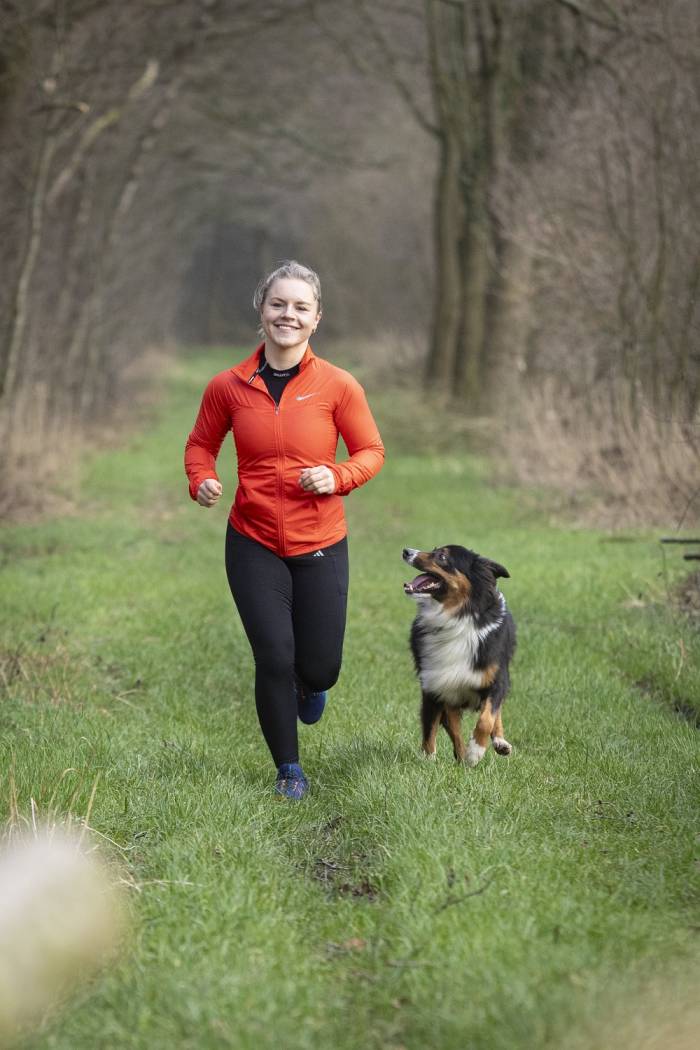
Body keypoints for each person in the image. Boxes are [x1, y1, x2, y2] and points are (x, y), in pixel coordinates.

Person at [184, 260, 385, 799]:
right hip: (251, 540)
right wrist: (201, 479)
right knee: (273, 654)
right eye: (278, 304)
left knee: (320, 669)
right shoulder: (227, 386)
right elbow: (201, 445)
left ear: (316, 318)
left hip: (320, 540)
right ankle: (288, 770)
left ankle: (309, 683)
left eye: (300, 307)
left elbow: (371, 452)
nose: (287, 315)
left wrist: (337, 475)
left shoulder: (338, 386)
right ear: (262, 310)